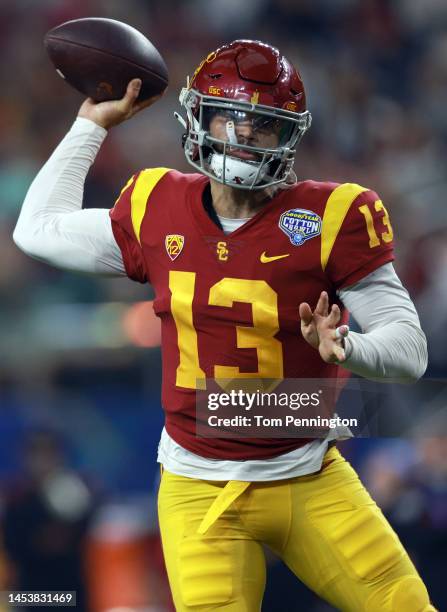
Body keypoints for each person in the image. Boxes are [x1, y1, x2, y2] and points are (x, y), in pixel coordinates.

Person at [13, 40, 435, 611]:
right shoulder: (156, 203)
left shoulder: (334, 216)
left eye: (263, 124)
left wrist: (350, 349)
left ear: (289, 135)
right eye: (231, 118)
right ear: (199, 117)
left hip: (309, 473)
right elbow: (36, 229)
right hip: (198, 485)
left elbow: (410, 351)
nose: (244, 136)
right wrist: (90, 125)